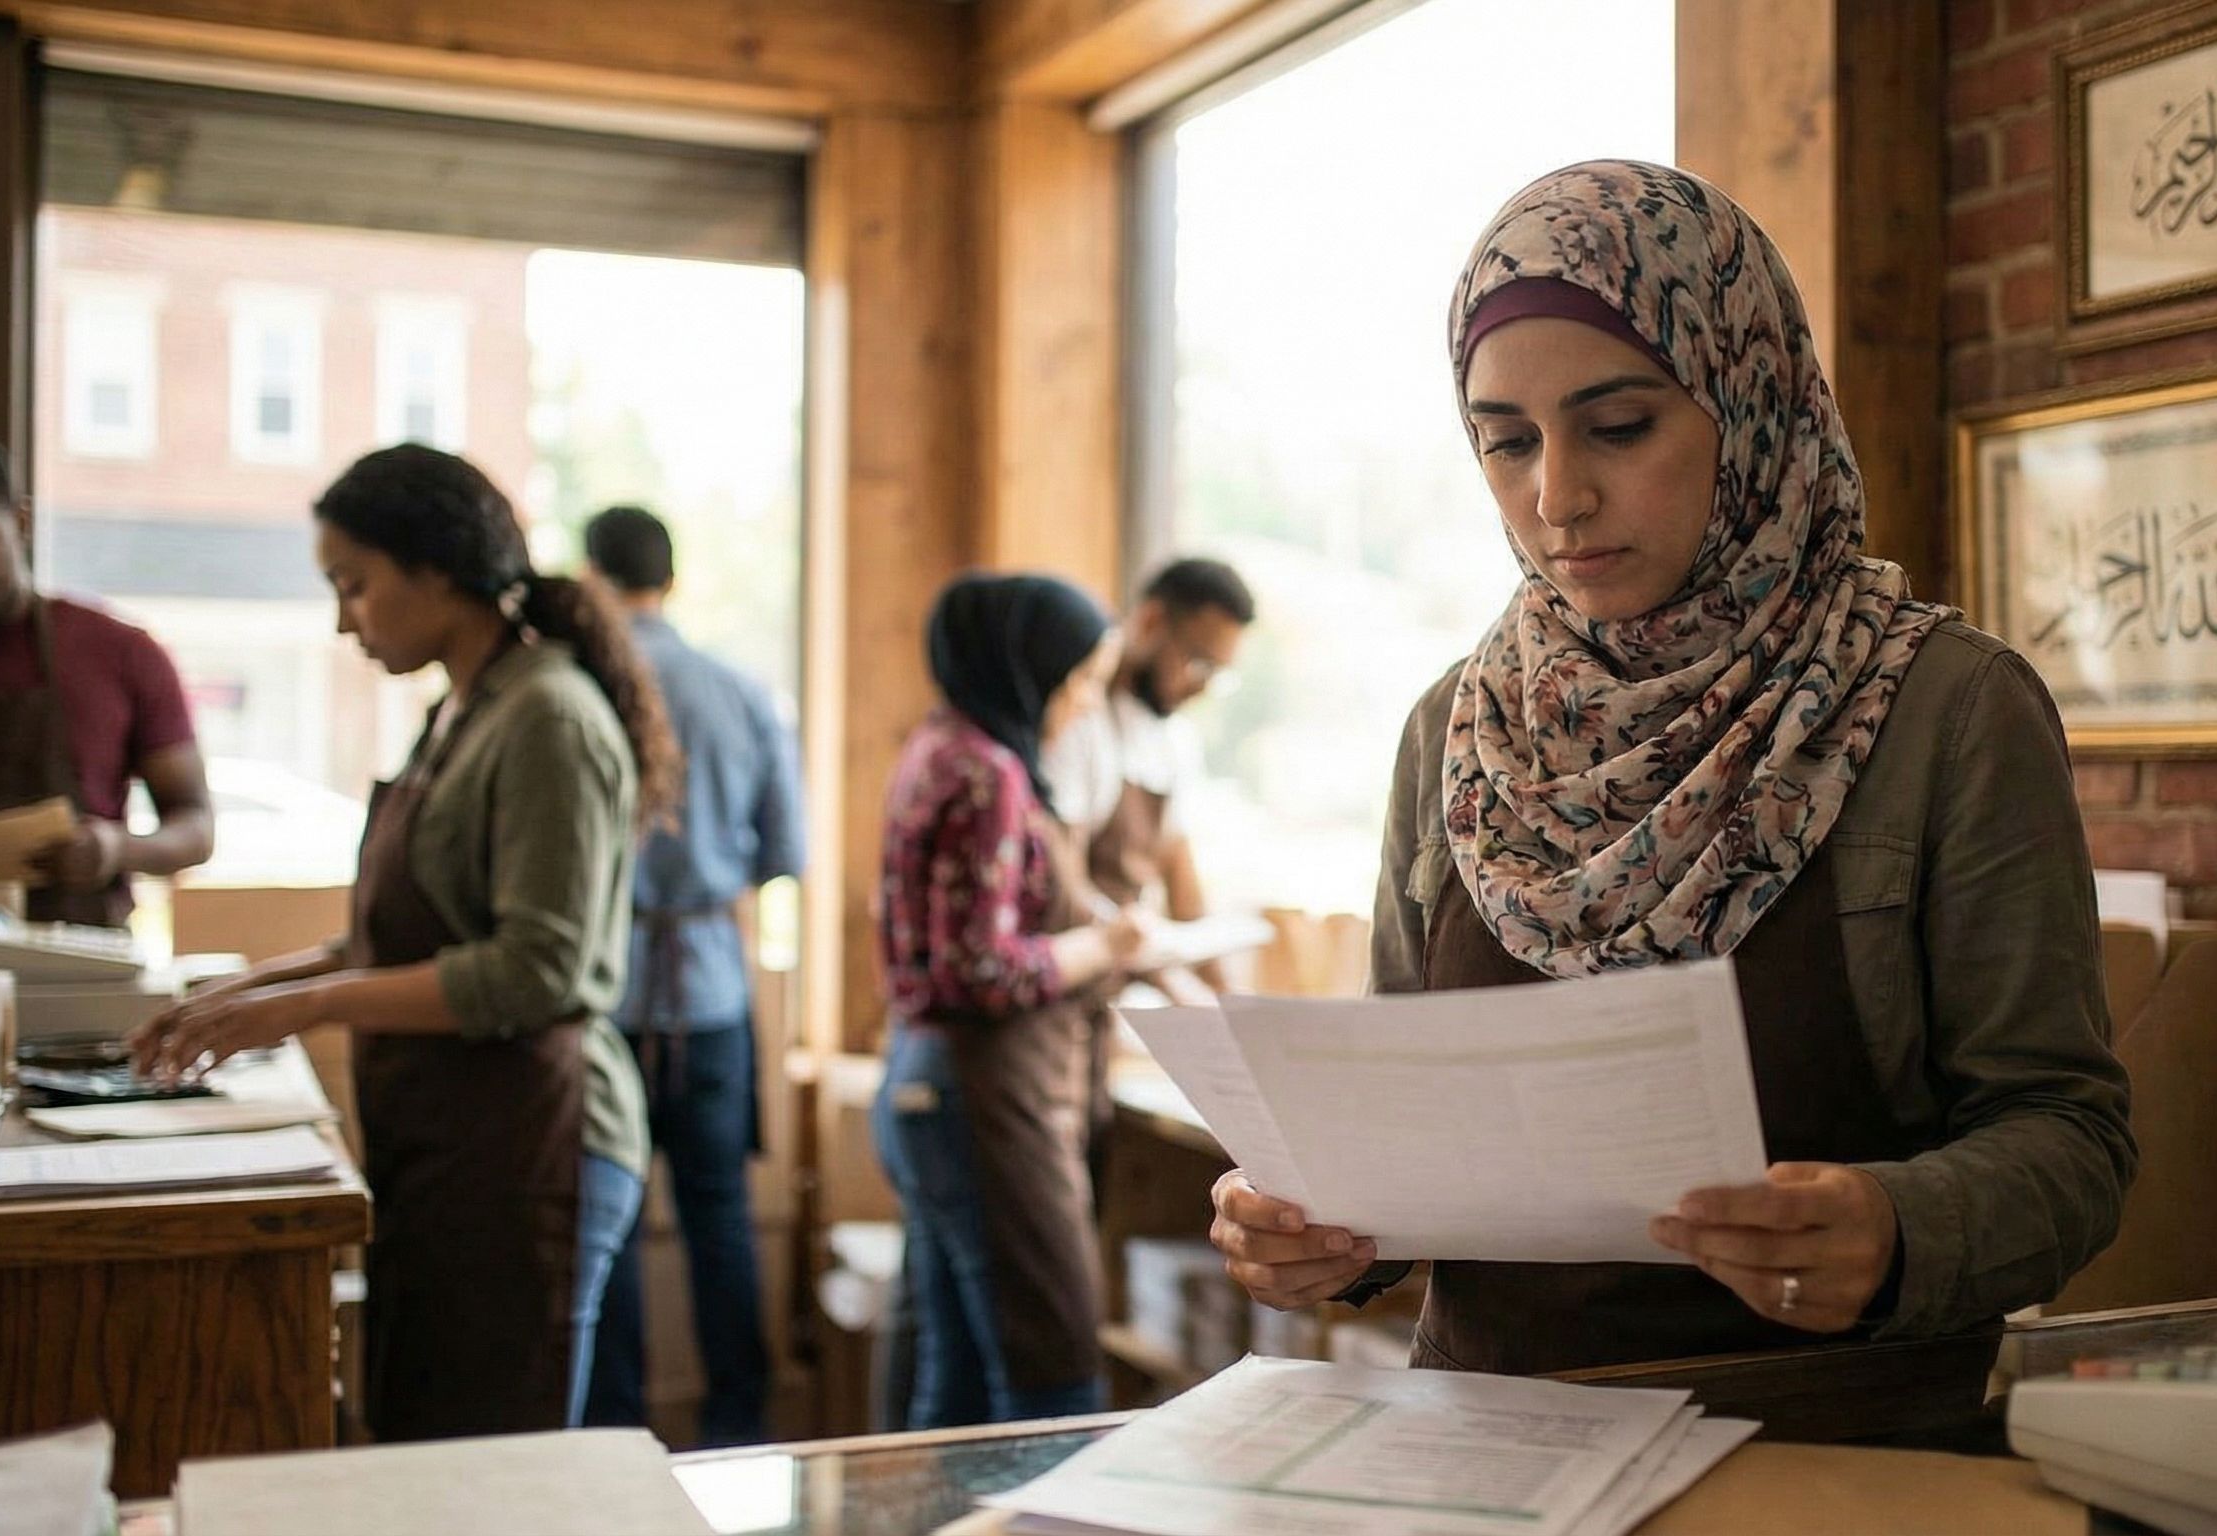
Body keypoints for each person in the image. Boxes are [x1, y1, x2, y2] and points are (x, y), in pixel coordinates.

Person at [1207, 161, 2135, 1374]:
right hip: (1492, 1458)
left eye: (1619, 425)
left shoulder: (1945, 711)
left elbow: (2071, 1138)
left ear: (1749, 401)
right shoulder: (1456, 727)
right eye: (1503, 442)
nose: (1557, 497)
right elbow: (1406, 1133)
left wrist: (1898, 1229)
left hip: (1831, 1449)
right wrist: (1321, 1226)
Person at [130, 445, 668, 1441]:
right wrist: (244, 994)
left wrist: (305, 1006)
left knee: (496, 1466)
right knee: (428, 1442)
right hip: (452, 1144)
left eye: (356, 587)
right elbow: (388, 940)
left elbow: (537, 971)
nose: (345, 620)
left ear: (436, 570)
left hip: (539, 1145)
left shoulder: (548, 718)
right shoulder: (461, 711)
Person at [873, 572, 1146, 1428]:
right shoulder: (988, 773)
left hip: (926, 1076)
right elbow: (979, 969)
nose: (1081, 706)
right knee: (1053, 1369)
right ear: (1026, 670)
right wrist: (1100, 946)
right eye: (1076, 683)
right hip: (982, 1093)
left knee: (953, 1377)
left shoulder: (939, 745)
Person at [578, 505, 803, 1446]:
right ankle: (740, 1434)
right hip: (710, 987)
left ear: (593, 577)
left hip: (601, 989)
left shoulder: (582, 683)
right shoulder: (738, 690)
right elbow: (784, 847)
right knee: (720, 1219)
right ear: (668, 579)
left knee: (612, 1218)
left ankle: (616, 1434)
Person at [0, 435, 213, 924]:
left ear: (21, 522)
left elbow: (196, 827)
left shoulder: (121, 652)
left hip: (83, 968)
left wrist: (114, 848)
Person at [1047, 556, 1255, 1001]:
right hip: (1064, 980)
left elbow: (1180, 872)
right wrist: (1162, 972)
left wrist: (1230, 1000)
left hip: (1113, 983)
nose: (1201, 687)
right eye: (1199, 664)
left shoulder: (1174, 741)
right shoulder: (1079, 721)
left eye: (1218, 676)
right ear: (1151, 622)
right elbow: (1061, 880)